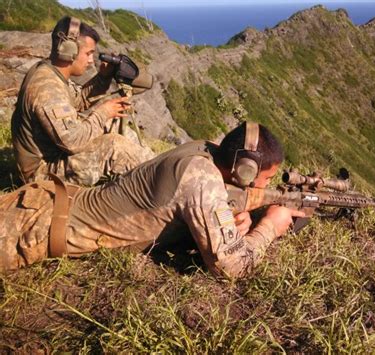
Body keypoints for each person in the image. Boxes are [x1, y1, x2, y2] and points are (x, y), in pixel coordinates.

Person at [0, 122, 305, 278]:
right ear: (245, 168)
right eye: (265, 178)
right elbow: (233, 268)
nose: (266, 185)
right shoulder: (201, 179)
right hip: (36, 230)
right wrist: (269, 226)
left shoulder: (202, 150)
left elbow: (215, 199)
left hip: (50, 202)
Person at [11, 16, 154, 186]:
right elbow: (72, 142)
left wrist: (103, 77)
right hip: (42, 175)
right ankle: (158, 182)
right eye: (88, 54)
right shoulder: (46, 87)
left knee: (113, 124)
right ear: (68, 50)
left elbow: (78, 100)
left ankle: (157, 165)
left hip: (56, 153)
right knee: (113, 146)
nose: (90, 60)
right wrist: (102, 113)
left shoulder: (50, 72)